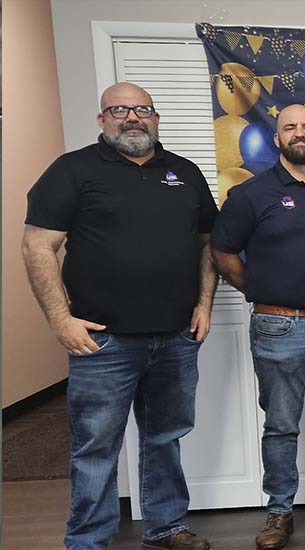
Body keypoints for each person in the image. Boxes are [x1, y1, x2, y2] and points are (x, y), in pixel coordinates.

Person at [23, 82, 217, 550]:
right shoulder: (73, 171)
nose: (132, 117)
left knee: (165, 438)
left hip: (175, 337)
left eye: (142, 109)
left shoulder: (185, 173)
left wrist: (204, 304)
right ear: (102, 119)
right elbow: (37, 245)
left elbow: (210, 243)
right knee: (95, 450)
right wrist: (60, 320)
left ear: (155, 117)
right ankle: (89, 540)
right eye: (119, 110)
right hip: (103, 341)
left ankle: (166, 526)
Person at [212, 104, 305, 549]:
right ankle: (279, 512)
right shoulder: (251, 195)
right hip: (278, 327)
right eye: (290, 128)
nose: (300, 134)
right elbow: (222, 253)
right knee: (280, 425)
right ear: (277, 139)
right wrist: (258, 289)